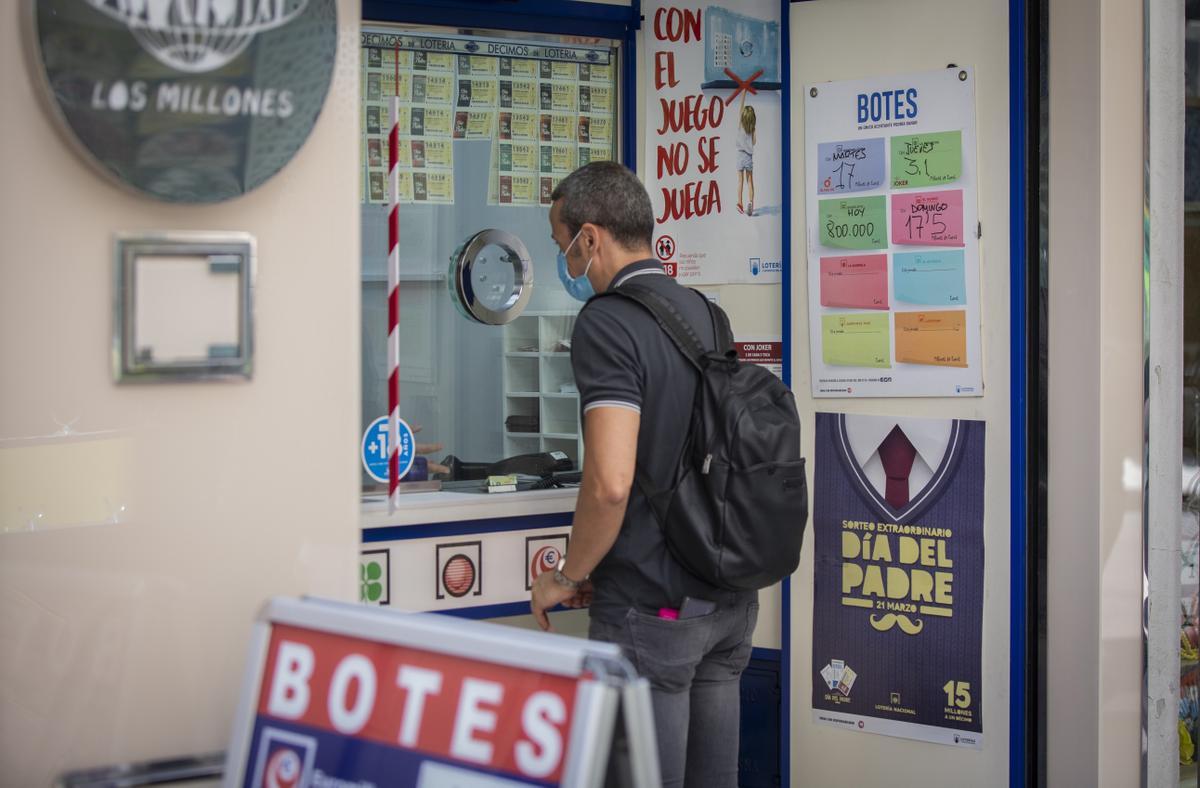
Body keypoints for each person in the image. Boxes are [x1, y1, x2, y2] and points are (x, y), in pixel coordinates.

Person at [530, 161, 758, 788]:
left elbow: (609, 481)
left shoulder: (607, 322)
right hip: (726, 601)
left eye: (561, 244)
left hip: (652, 613)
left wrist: (568, 575)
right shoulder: (707, 316)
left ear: (591, 238)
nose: (565, 261)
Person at [736, 103, 756, 216]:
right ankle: (751, 203)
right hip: (748, 156)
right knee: (750, 182)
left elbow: (741, 107)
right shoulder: (752, 128)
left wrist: (743, 91)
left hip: (740, 156)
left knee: (740, 181)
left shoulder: (740, 125)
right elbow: (754, 142)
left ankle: (740, 203)